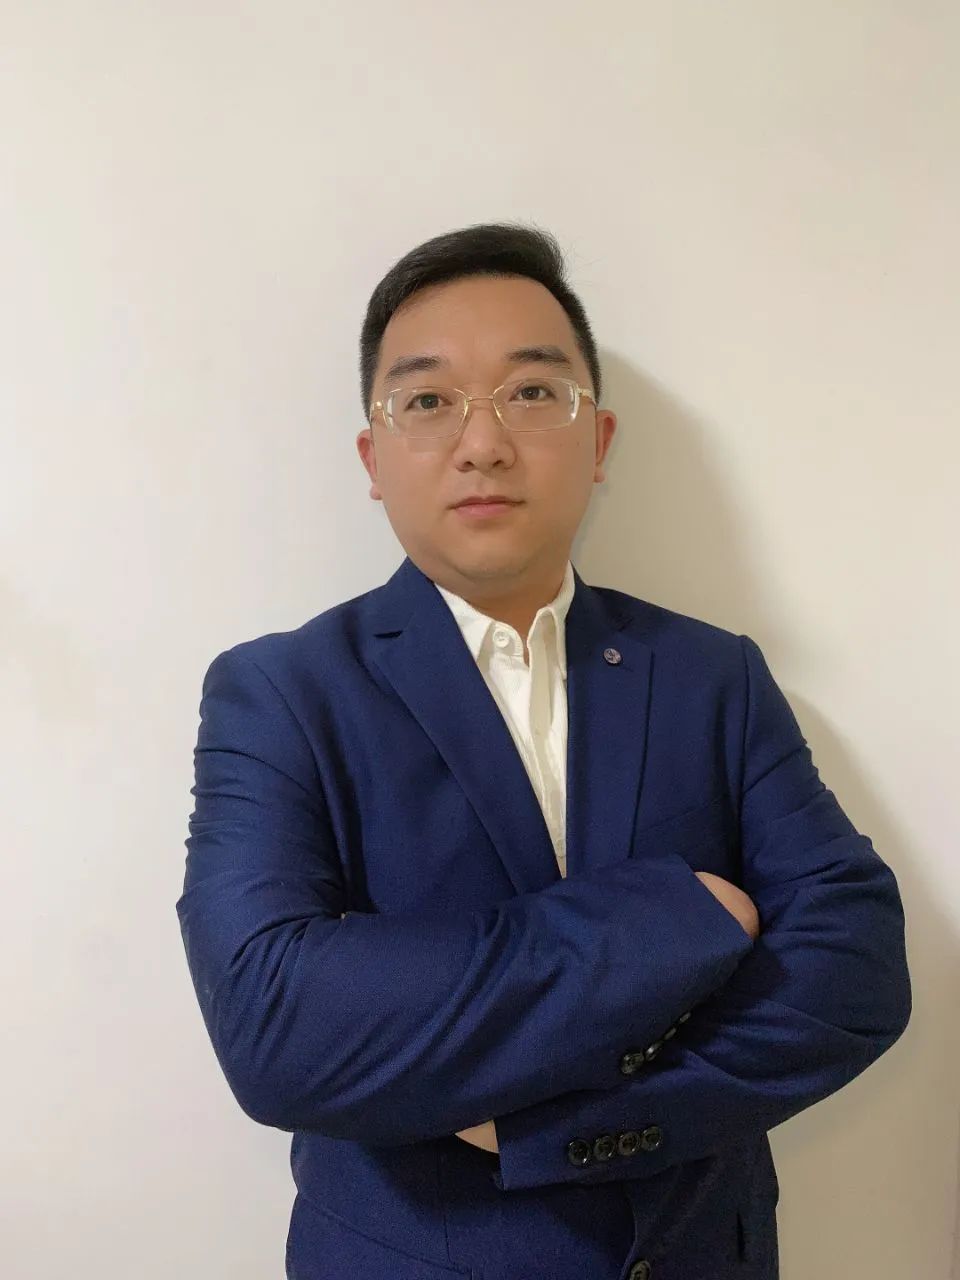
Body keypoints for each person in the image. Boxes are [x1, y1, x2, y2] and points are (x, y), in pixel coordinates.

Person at [175, 222, 912, 1280]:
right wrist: (679, 918)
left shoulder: (713, 674)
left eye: (531, 392)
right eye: (428, 400)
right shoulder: (282, 692)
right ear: (373, 459)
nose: (482, 442)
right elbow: (277, 1026)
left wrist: (559, 1126)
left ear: (599, 441)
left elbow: (855, 967)